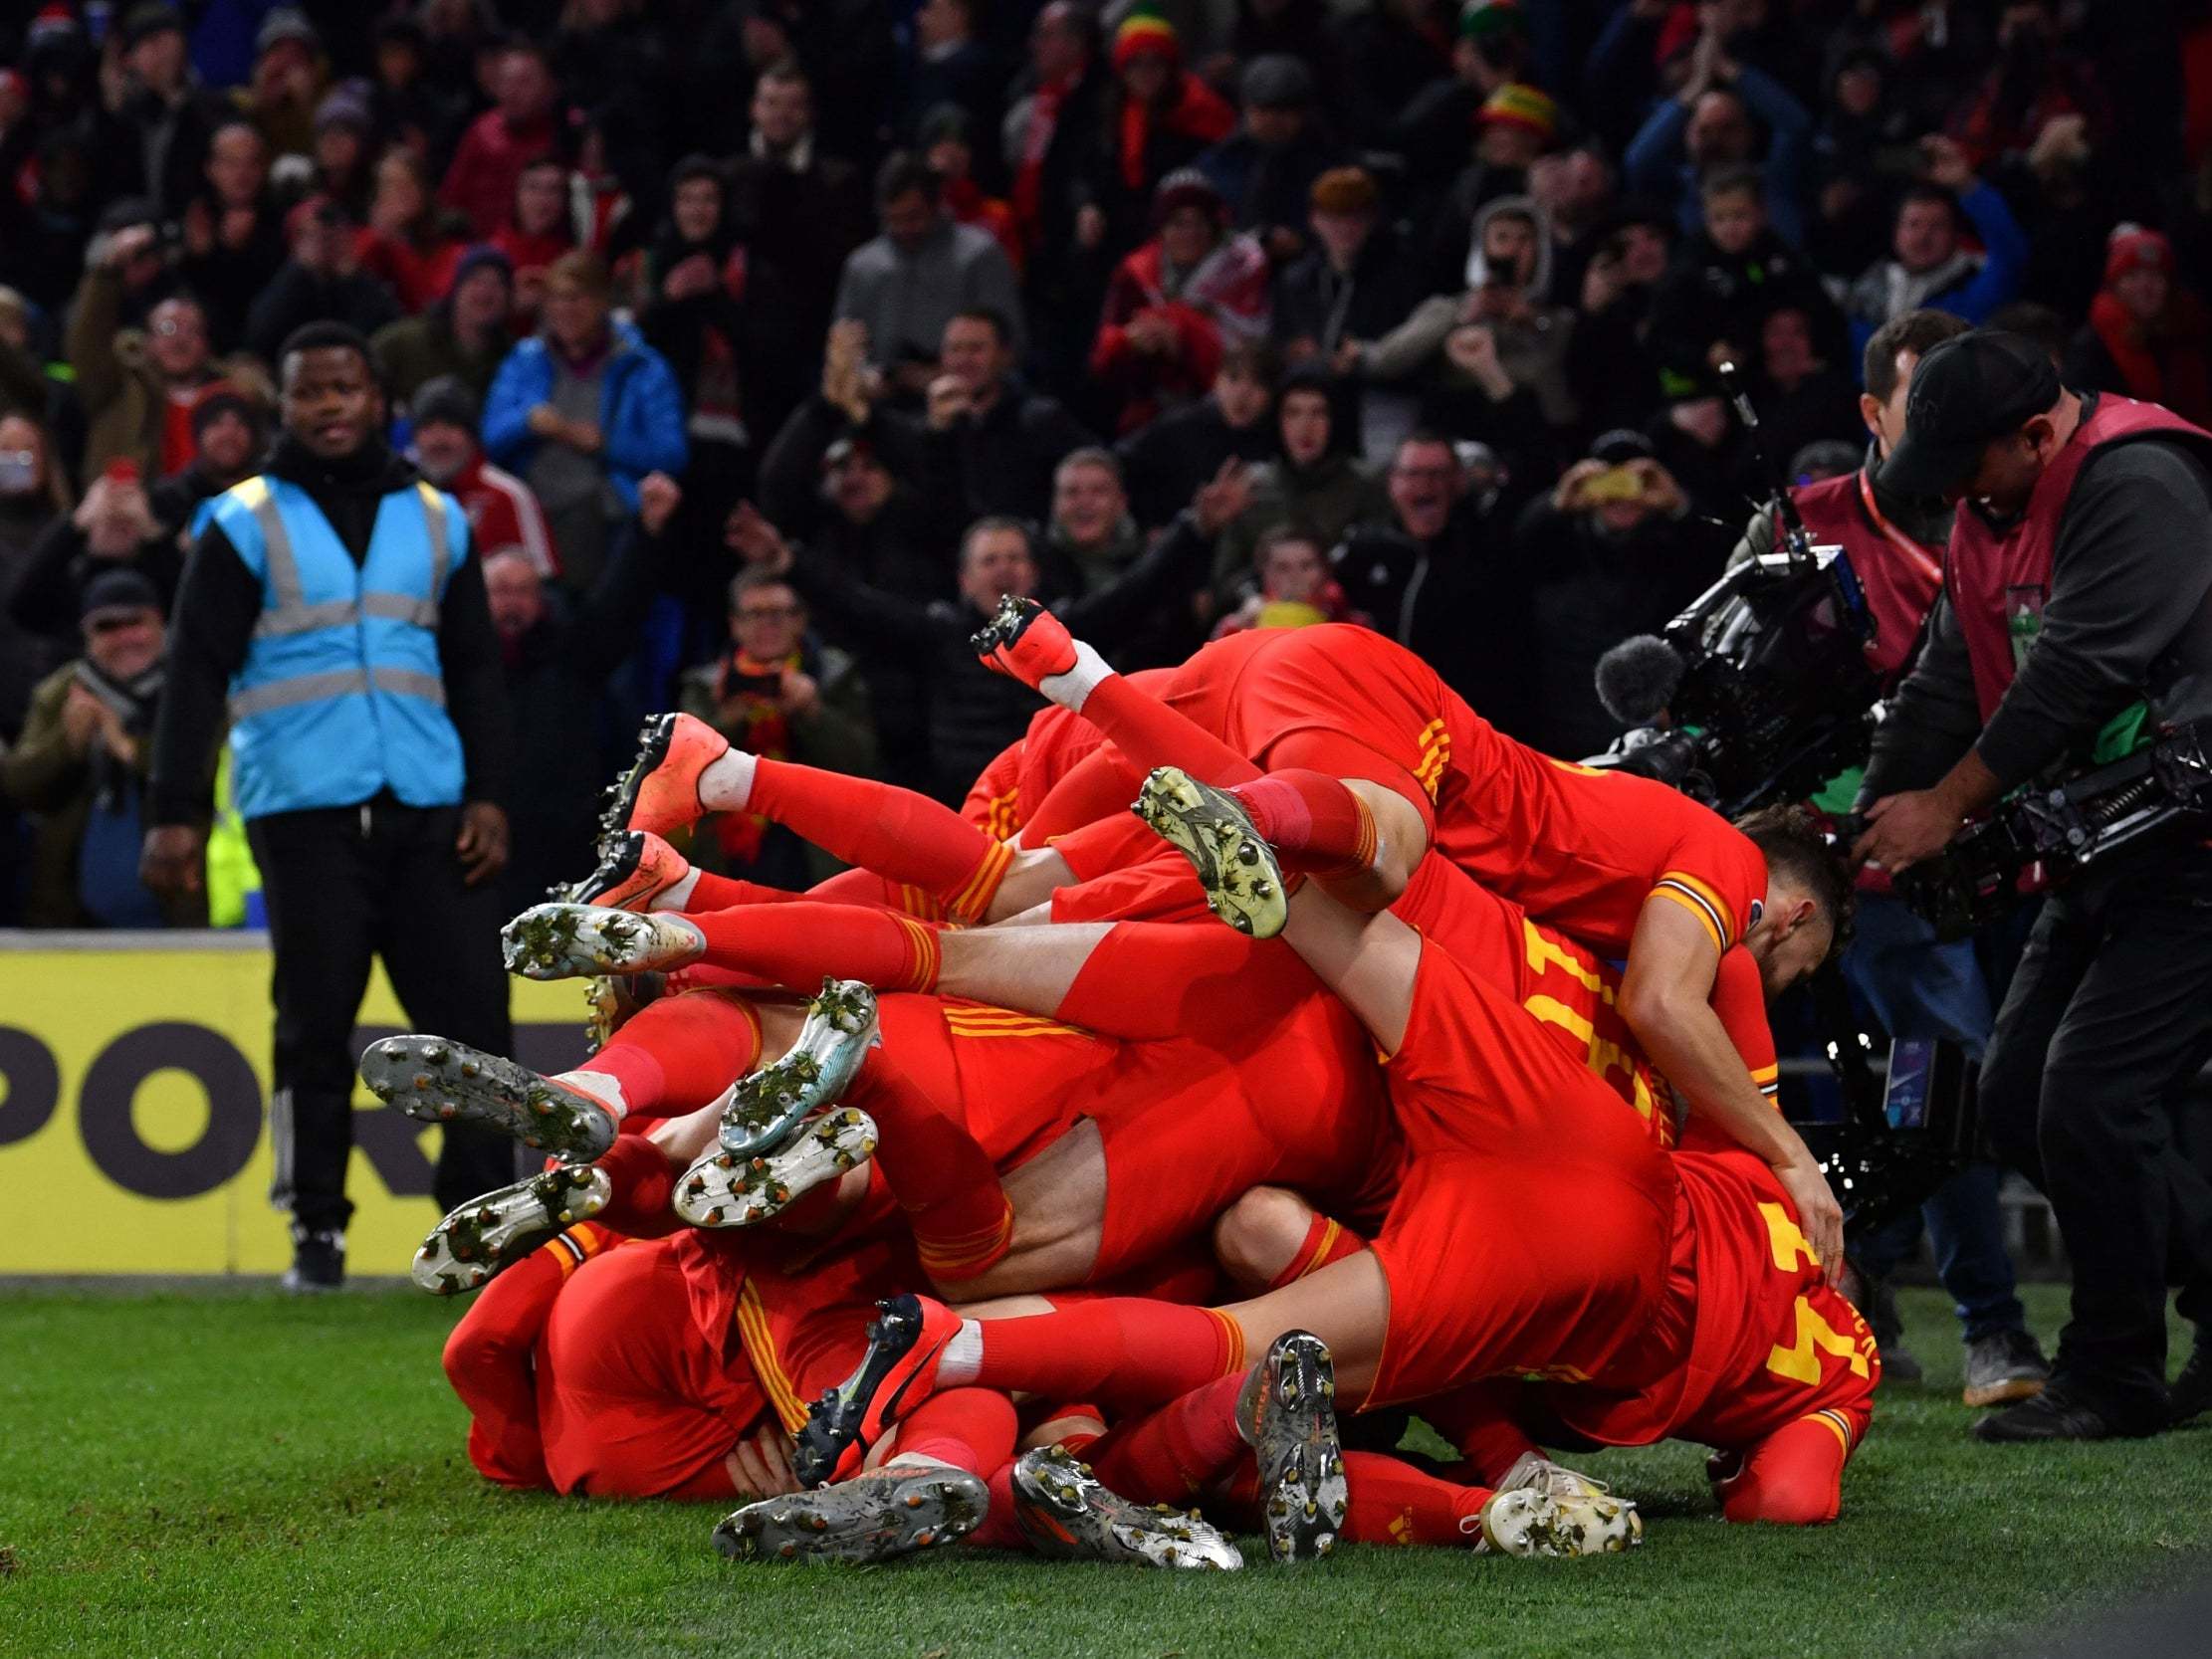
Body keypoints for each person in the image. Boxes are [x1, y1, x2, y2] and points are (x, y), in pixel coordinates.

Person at [1855, 328, 2212, 1440]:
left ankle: (2110, 1373)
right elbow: (1945, 678)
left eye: (1969, 466)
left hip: (2196, 843)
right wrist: (1861, 826)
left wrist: (1944, 804)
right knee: (2011, 1100)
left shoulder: (2140, 481)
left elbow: (2076, 672)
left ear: (2036, 430)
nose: (1957, 492)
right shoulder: (1991, 508)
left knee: (2090, 1099)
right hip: (2108, 840)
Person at [141, 320, 518, 1294]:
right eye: (309, 391)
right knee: (313, 1025)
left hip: (431, 803)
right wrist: (174, 808)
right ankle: (316, 1231)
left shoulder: (440, 518)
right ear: (284, 406)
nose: (328, 406)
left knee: (473, 1020)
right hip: (303, 808)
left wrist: (488, 791)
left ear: (378, 397)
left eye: (345, 387)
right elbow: (193, 673)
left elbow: (476, 667)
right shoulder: (240, 520)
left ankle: (478, 1227)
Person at [481, 251, 688, 590]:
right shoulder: (525, 360)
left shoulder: (643, 367)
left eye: (577, 298)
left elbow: (671, 454)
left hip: (606, 512)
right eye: (556, 298)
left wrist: (606, 444)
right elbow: (490, 439)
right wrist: (527, 422)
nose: (565, 310)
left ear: (602, 301)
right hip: (531, 509)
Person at [2, 570, 196, 930]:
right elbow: (17, 786)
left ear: (161, 623)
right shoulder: (60, 692)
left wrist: (125, 747)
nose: (124, 637)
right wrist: (68, 745)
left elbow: (210, 775)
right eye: (106, 627)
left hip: (181, 901)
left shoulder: (193, 687)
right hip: (68, 909)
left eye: (135, 622)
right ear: (86, 636)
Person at [1511, 429, 1718, 761]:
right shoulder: (1557, 543)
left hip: (1647, 726)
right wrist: (1558, 504)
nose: (1622, 496)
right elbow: (1513, 551)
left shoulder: (1675, 547)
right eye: (1608, 483)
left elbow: (1716, 556)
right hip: (1564, 724)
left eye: (1637, 483)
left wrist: (1678, 505)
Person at [676, 569, 877, 892]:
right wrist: (731, 718)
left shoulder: (834, 677)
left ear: (800, 620)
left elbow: (863, 765)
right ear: (735, 624)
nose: (768, 624)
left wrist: (813, 712)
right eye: (755, 614)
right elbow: (682, 773)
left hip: (814, 849)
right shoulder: (706, 685)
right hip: (729, 850)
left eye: (779, 614)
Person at [1091, 170, 1270, 435]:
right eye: (1177, 223)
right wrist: (1131, 342)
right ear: (1161, 228)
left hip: (1225, 411)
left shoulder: (1244, 267)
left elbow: (1254, 350)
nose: (1189, 233)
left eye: (1199, 222)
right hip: (1150, 412)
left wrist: (1182, 335)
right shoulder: (1135, 273)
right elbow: (1100, 359)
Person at [832, 152, 1023, 387]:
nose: (903, 229)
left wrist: (942, 374)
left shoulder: (980, 256)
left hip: (968, 395)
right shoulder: (863, 266)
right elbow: (843, 346)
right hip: (880, 399)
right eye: (893, 219)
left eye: (913, 217)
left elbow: (1011, 346)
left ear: (936, 206)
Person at [1842, 137, 2028, 356]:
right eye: (1913, 225)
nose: (1923, 236)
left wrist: (1966, 185)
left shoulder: (1972, 282)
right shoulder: (1868, 293)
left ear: (1955, 234)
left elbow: (2010, 254)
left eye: (1936, 226)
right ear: (1896, 233)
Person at [1210, 367, 1378, 600]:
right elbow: (1225, 579)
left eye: (1318, 413)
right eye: (1293, 413)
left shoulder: (1365, 485)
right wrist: (1262, 591)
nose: (1305, 426)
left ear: (1337, 419)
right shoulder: (1251, 488)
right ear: (1277, 421)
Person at [408, 376, 556, 580]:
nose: (438, 439)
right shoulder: (401, 496)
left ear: (472, 435)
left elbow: (544, 580)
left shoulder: (509, 495)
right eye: (428, 427)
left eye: (450, 426)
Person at [2063, 226, 2212, 426]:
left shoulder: (2191, 333)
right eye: (2132, 276)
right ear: (2114, 285)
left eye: (2156, 276)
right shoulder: (2092, 346)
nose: (2145, 287)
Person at [439, 40, 563, 239]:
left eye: (524, 81)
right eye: (506, 81)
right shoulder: (482, 131)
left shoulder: (563, 136)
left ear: (549, 87)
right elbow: (452, 199)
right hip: (479, 252)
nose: (512, 91)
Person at [370, 245, 517, 412]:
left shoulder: (512, 357)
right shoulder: (405, 341)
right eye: (476, 281)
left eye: (498, 284)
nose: (486, 292)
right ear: (456, 289)